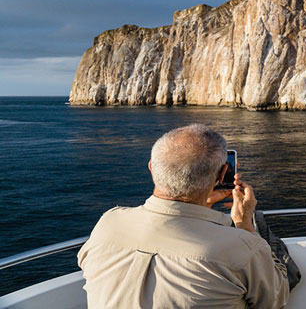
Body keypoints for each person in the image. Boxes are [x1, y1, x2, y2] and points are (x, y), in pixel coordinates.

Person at [78, 124, 289, 309]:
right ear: (222, 173)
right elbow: (275, 299)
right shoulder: (240, 247)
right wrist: (244, 224)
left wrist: (201, 203)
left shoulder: (109, 222)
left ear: (152, 168)